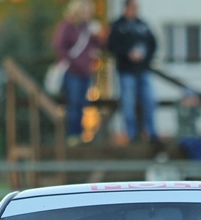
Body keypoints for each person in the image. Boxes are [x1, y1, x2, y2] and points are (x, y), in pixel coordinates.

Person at [52, 1, 105, 145]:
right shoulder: (67, 27)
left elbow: (100, 47)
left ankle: (80, 135)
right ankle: (72, 135)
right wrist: (73, 61)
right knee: (74, 103)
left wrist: (99, 35)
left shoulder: (88, 29)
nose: (88, 14)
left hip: (86, 72)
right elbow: (59, 46)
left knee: (82, 103)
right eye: (86, 11)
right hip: (72, 72)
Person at [107, 0, 159, 143]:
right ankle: (132, 134)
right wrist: (127, 54)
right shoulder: (118, 26)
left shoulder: (143, 25)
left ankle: (151, 132)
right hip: (126, 71)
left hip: (143, 70)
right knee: (128, 103)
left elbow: (153, 44)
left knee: (149, 101)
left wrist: (145, 58)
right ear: (126, 8)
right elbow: (112, 46)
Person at [176, 88, 201, 160]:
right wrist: (190, 107)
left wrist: (196, 106)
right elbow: (186, 118)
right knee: (193, 145)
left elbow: (198, 115)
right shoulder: (180, 107)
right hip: (184, 136)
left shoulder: (193, 109)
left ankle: (199, 168)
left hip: (194, 137)